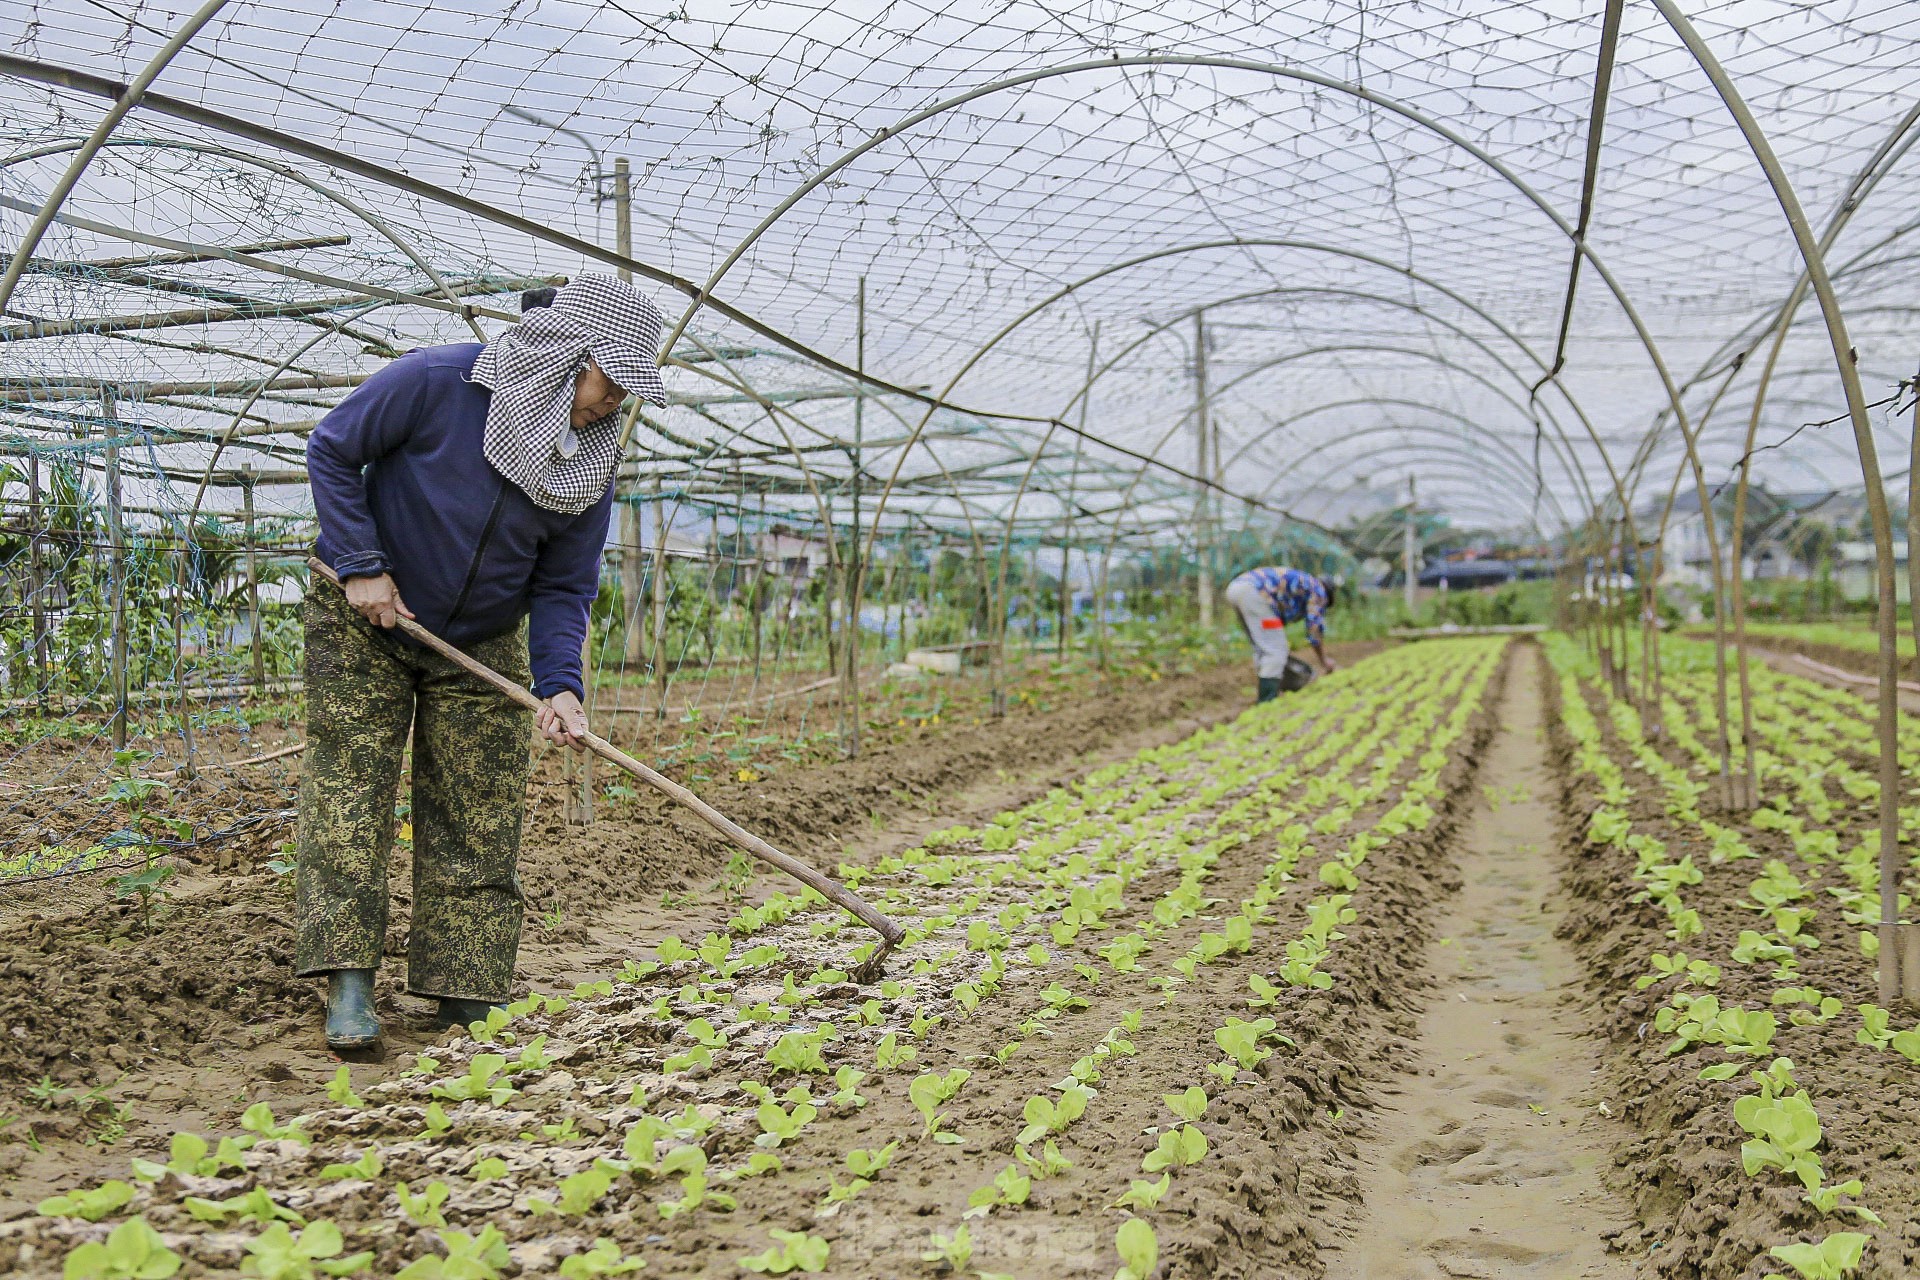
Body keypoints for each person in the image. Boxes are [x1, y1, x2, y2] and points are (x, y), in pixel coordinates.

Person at [298, 275, 667, 1051]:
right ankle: (349, 982)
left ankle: (463, 988)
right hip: (367, 615)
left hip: (482, 639)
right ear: (569, 356)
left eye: (626, 396)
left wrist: (561, 686)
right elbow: (332, 449)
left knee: (479, 809)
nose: (612, 406)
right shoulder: (438, 381)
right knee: (350, 793)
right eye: (610, 383)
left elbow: (565, 586)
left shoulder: (590, 466)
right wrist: (362, 562)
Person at [1223, 566, 1338, 703]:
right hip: (1255, 593)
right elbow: (1314, 629)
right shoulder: (1319, 591)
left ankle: (1271, 690)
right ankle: (1267, 700)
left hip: (1236, 588)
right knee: (1275, 649)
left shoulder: (1305, 582)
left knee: (1262, 647)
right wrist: (1324, 660)